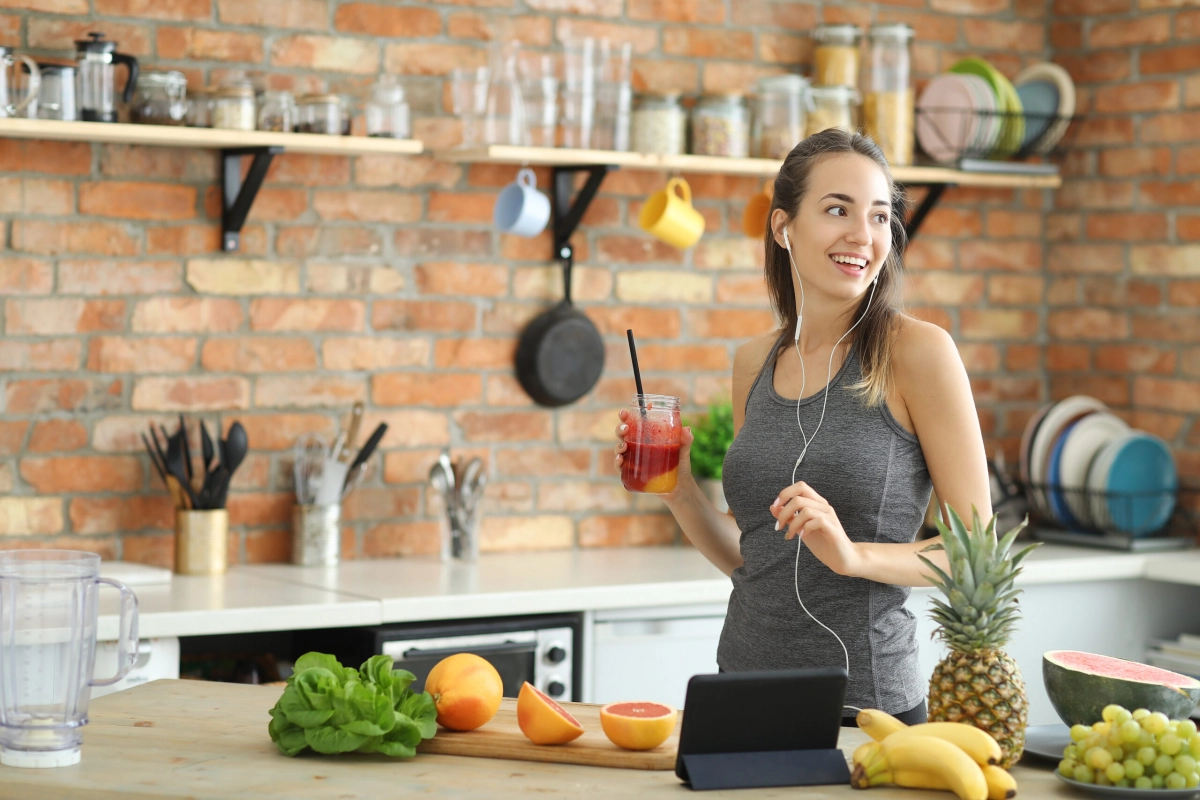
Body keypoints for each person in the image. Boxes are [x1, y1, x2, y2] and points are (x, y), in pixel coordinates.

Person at [613, 129, 992, 725]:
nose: (861, 235)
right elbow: (756, 557)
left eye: (879, 216)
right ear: (783, 226)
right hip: (738, 692)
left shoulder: (918, 353)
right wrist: (679, 489)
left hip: (864, 710)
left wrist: (851, 556)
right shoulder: (754, 362)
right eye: (837, 209)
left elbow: (976, 554)